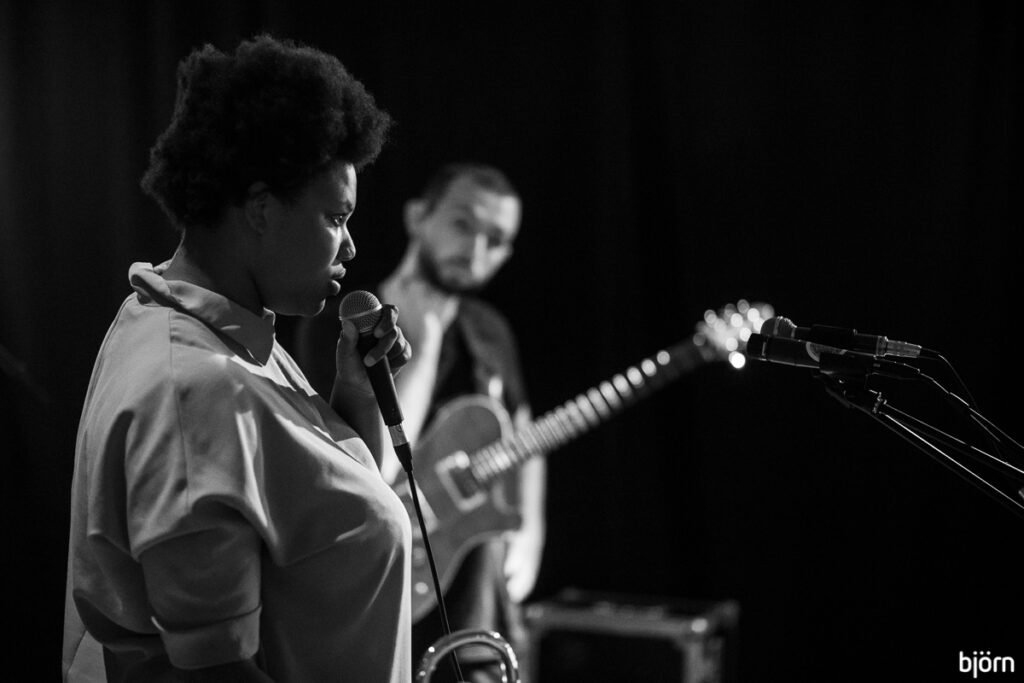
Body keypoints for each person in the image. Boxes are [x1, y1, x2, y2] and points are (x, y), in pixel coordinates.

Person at [61, 35, 413, 682]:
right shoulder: (196, 386)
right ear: (260, 209)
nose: (351, 247)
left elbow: (319, 524)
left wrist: (356, 391)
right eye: (336, 217)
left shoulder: (213, 327)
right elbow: (212, 671)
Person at [294, 163, 546, 682]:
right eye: (462, 224)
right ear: (417, 217)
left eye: (496, 240)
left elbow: (525, 433)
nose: (475, 249)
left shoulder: (490, 332)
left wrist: (530, 529)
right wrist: (425, 346)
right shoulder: (343, 323)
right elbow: (370, 466)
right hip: (383, 579)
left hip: (476, 594)